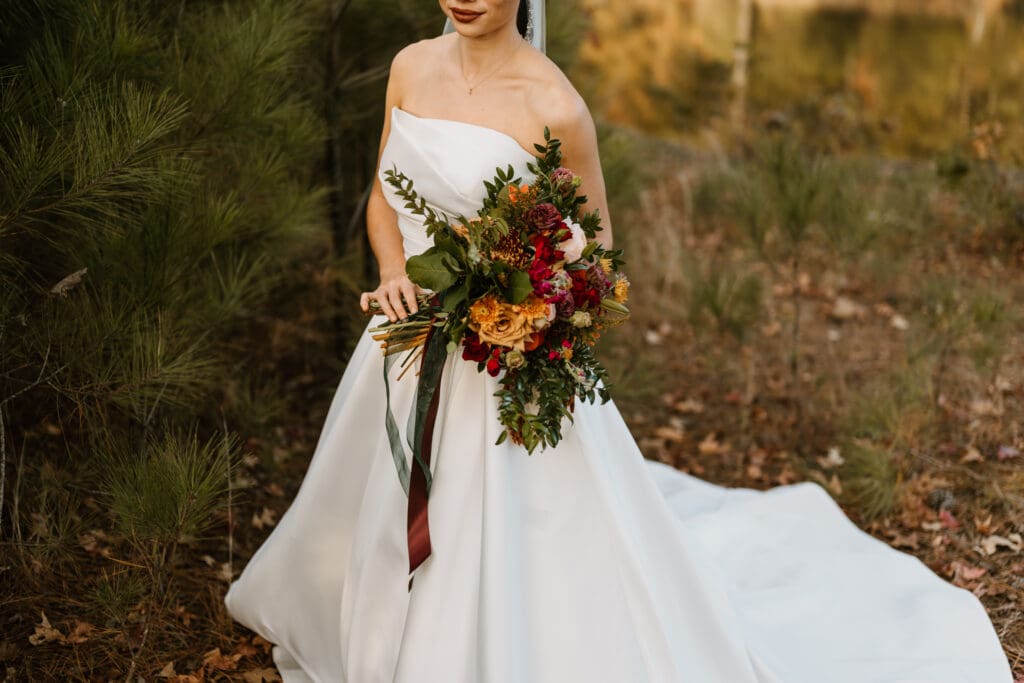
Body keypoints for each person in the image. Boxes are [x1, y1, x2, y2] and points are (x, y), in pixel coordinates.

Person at [224, 2, 1015, 681]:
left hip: (506, 362)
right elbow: (382, 199)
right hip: (403, 346)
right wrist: (394, 270)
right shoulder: (408, 67)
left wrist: (530, 307)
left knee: (511, 541)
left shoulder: (556, 106)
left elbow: (595, 258)